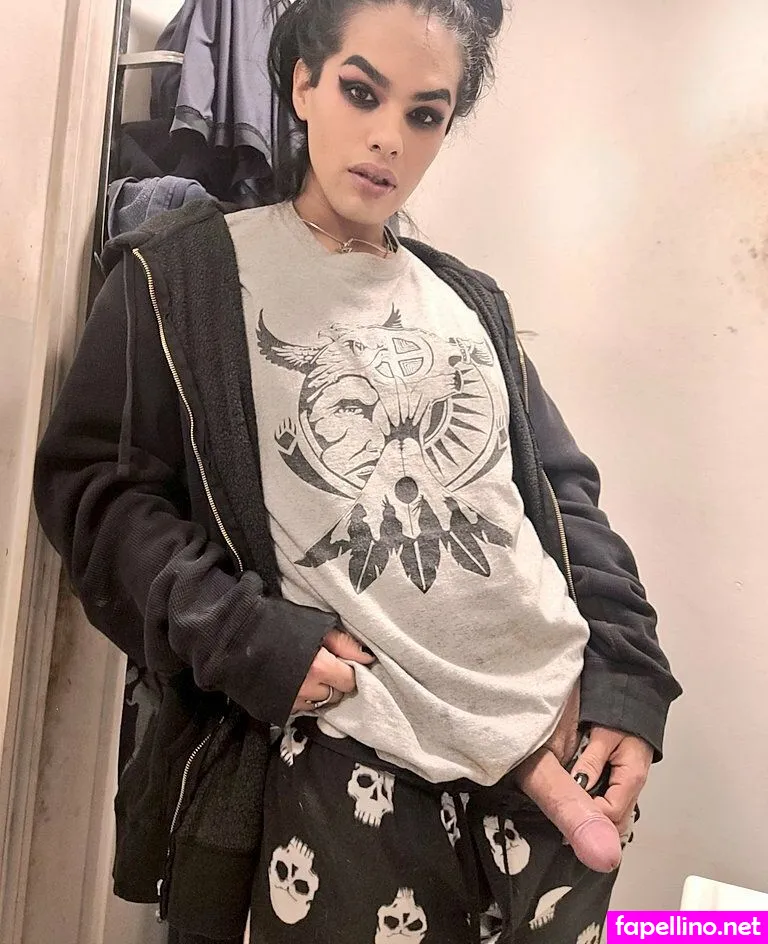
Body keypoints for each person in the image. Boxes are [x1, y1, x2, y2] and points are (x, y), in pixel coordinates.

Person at [33, 0, 682, 941]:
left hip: (550, 755)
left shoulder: (470, 301)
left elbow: (560, 496)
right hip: (347, 767)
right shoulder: (180, 279)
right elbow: (96, 492)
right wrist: (245, 638)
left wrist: (627, 681)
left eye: (425, 113)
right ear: (303, 83)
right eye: (361, 92)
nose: (388, 139)